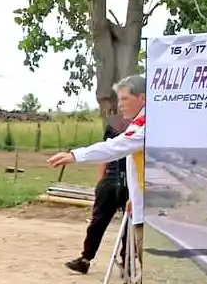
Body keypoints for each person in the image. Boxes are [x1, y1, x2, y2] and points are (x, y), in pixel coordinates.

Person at [48, 74, 147, 266]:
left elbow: (114, 148)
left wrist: (75, 156)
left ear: (142, 98)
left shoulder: (145, 125)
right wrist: (135, 197)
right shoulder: (138, 122)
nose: (120, 104)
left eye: (125, 99)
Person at [63, 118, 129, 274]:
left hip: (130, 180)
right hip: (110, 179)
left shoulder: (140, 127)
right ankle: (85, 259)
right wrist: (101, 182)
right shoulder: (113, 126)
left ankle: (127, 261)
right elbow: (105, 153)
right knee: (97, 221)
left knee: (130, 223)